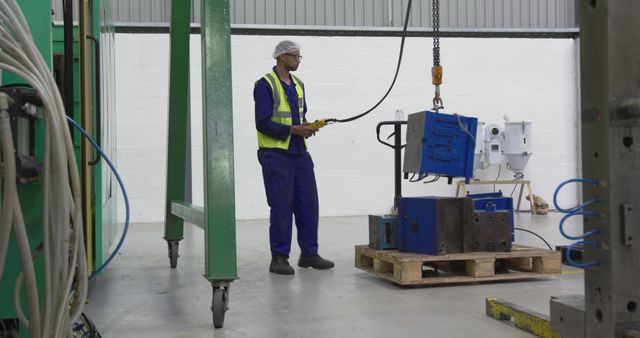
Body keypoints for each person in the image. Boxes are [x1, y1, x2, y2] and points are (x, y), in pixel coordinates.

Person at [253, 40, 334, 275]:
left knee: (308, 204)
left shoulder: (298, 84)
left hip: (299, 153)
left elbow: (298, 116)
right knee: (281, 207)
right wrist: (292, 130)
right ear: (282, 58)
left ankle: (309, 254)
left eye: (299, 57)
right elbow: (263, 122)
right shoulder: (265, 85)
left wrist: (308, 127)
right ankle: (279, 258)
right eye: (295, 56)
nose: (298, 60)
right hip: (275, 155)